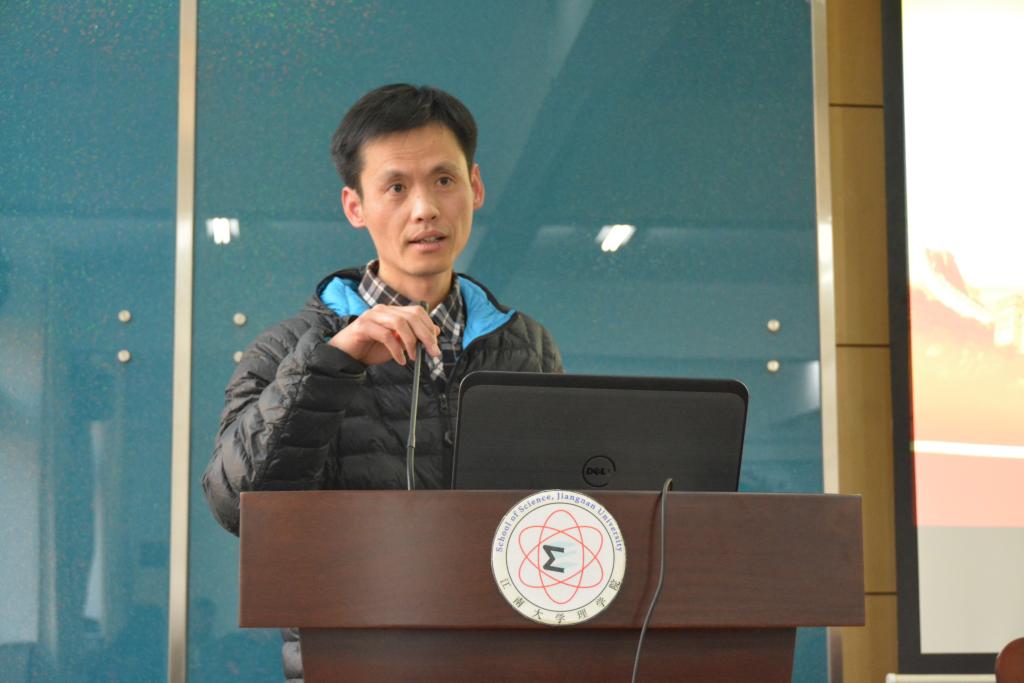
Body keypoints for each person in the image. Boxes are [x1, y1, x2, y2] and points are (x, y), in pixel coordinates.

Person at [201, 83, 563, 682]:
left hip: (499, 664)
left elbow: (558, 513)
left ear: (475, 187)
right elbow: (235, 504)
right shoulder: (289, 347)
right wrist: (333, 363)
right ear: (356, 206)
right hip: (350, 664)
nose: (424, 209)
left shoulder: (526, 345)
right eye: (396, 187)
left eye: (443, 180)